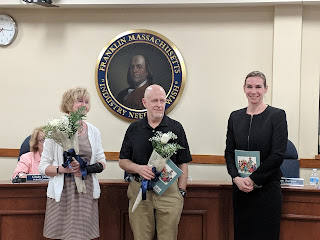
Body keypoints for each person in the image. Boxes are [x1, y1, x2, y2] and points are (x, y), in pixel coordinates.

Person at [119, 84, 192, 240]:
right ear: (145, 102)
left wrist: (181, 191)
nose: (159, 105)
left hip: (169, 192)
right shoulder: (134, 128)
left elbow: (183, 162)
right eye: (154, 101)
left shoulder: (176, 128)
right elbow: (123, 161)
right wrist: (138, 168)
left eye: (162, 100)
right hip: (139, 190)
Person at [224, 71, 288, 240]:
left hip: (266, 190)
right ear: (244, 89)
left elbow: (278, 154)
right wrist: (236, 178)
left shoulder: (277, 116)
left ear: (266, 89)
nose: (254, 91)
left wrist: (253, 179)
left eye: (258, 87)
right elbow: (229, 152)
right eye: (249, 86)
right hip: (241, 190)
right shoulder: (235, 117)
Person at [39, 87, 107, 240]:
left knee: (82, 235)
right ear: (69, 104)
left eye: (87, 102)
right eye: (80, 101)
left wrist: (85, 169)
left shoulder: (94, 131)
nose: (84, 105)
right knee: (61, 235)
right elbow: (43, 167)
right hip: (62, 191)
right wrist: (64, 169)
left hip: (86, 190)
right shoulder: (55, 130)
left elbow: (102, 162)